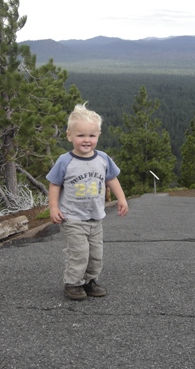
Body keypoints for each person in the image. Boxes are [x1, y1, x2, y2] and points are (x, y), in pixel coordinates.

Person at [46, 102, 128, 301]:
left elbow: (111, 179)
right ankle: (73, 283)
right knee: (79, 253)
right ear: (69, 136)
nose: (86, 140)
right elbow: (54, 185)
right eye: (80, 135)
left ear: (98, 135)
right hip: (72, 218)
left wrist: (122, 198)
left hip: (95, 217)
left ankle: (90, 280)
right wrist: (54, 207)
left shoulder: (103, 159)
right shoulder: (65, 161)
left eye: (91, 135)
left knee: (95, 253)